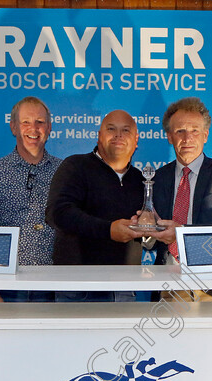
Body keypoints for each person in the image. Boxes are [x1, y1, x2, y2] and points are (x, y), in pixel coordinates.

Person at [146, 97, 212, 300]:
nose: (187, 138)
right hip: (169, 285)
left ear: (205, 135)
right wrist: (145, 230)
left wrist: (180, 234)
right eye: (180, 131)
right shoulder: (157, 178)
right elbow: (151, 241)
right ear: (169, 137)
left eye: (194, 130)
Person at [45, 110, 145, 301]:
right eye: (111, 129)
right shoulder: (75, 166)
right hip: (78, 288)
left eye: (126, 130)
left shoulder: (141, 179)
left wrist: (149, 231)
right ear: (99, 136)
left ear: (136, 140)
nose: (118, 135)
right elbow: (58, 213)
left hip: (124, 288)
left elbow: (148, 232)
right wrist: (108, 230)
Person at [0, 97, 61, 302]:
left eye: (40, 122)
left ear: (49, 128)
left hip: (55, 285)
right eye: (26, 122)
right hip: (7, 287)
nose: (33, 128)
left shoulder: (65, 172)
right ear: (13, 127)